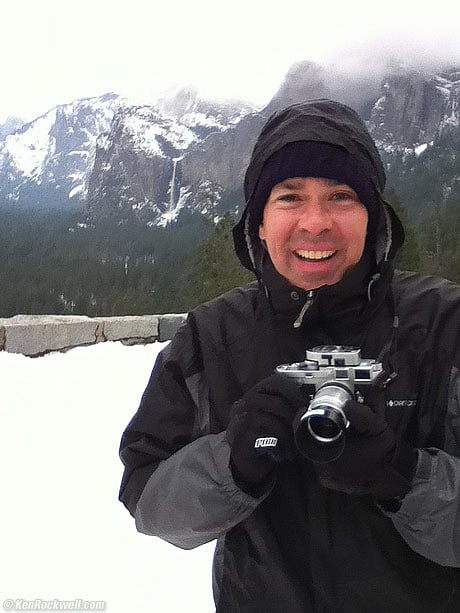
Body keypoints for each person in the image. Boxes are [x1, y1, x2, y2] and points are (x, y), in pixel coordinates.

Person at [119, 99, 460, 612]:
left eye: (342, 196)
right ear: (258, 222)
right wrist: (232, 462)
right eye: (289, 198)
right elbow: (151, 504)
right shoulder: (211, 337)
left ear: (374, 219)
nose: (315, 223)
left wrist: (403, 475)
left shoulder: (444, 326)